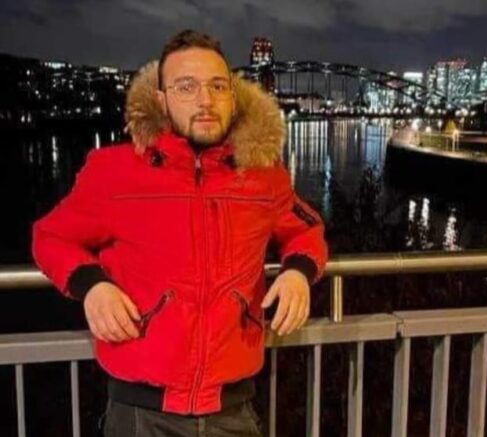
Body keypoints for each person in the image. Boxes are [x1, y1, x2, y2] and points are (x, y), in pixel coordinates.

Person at [31, 29, 328, 436]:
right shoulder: (114, 171)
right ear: (161, 99)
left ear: (233, 96)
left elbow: (306, 230)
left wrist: (297, 273)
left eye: (217, 86)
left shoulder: (263, 175)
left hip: (233, 409)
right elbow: (51, 236)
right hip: (141, 413)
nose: (205, 100)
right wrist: (92, 286)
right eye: (186, 87)